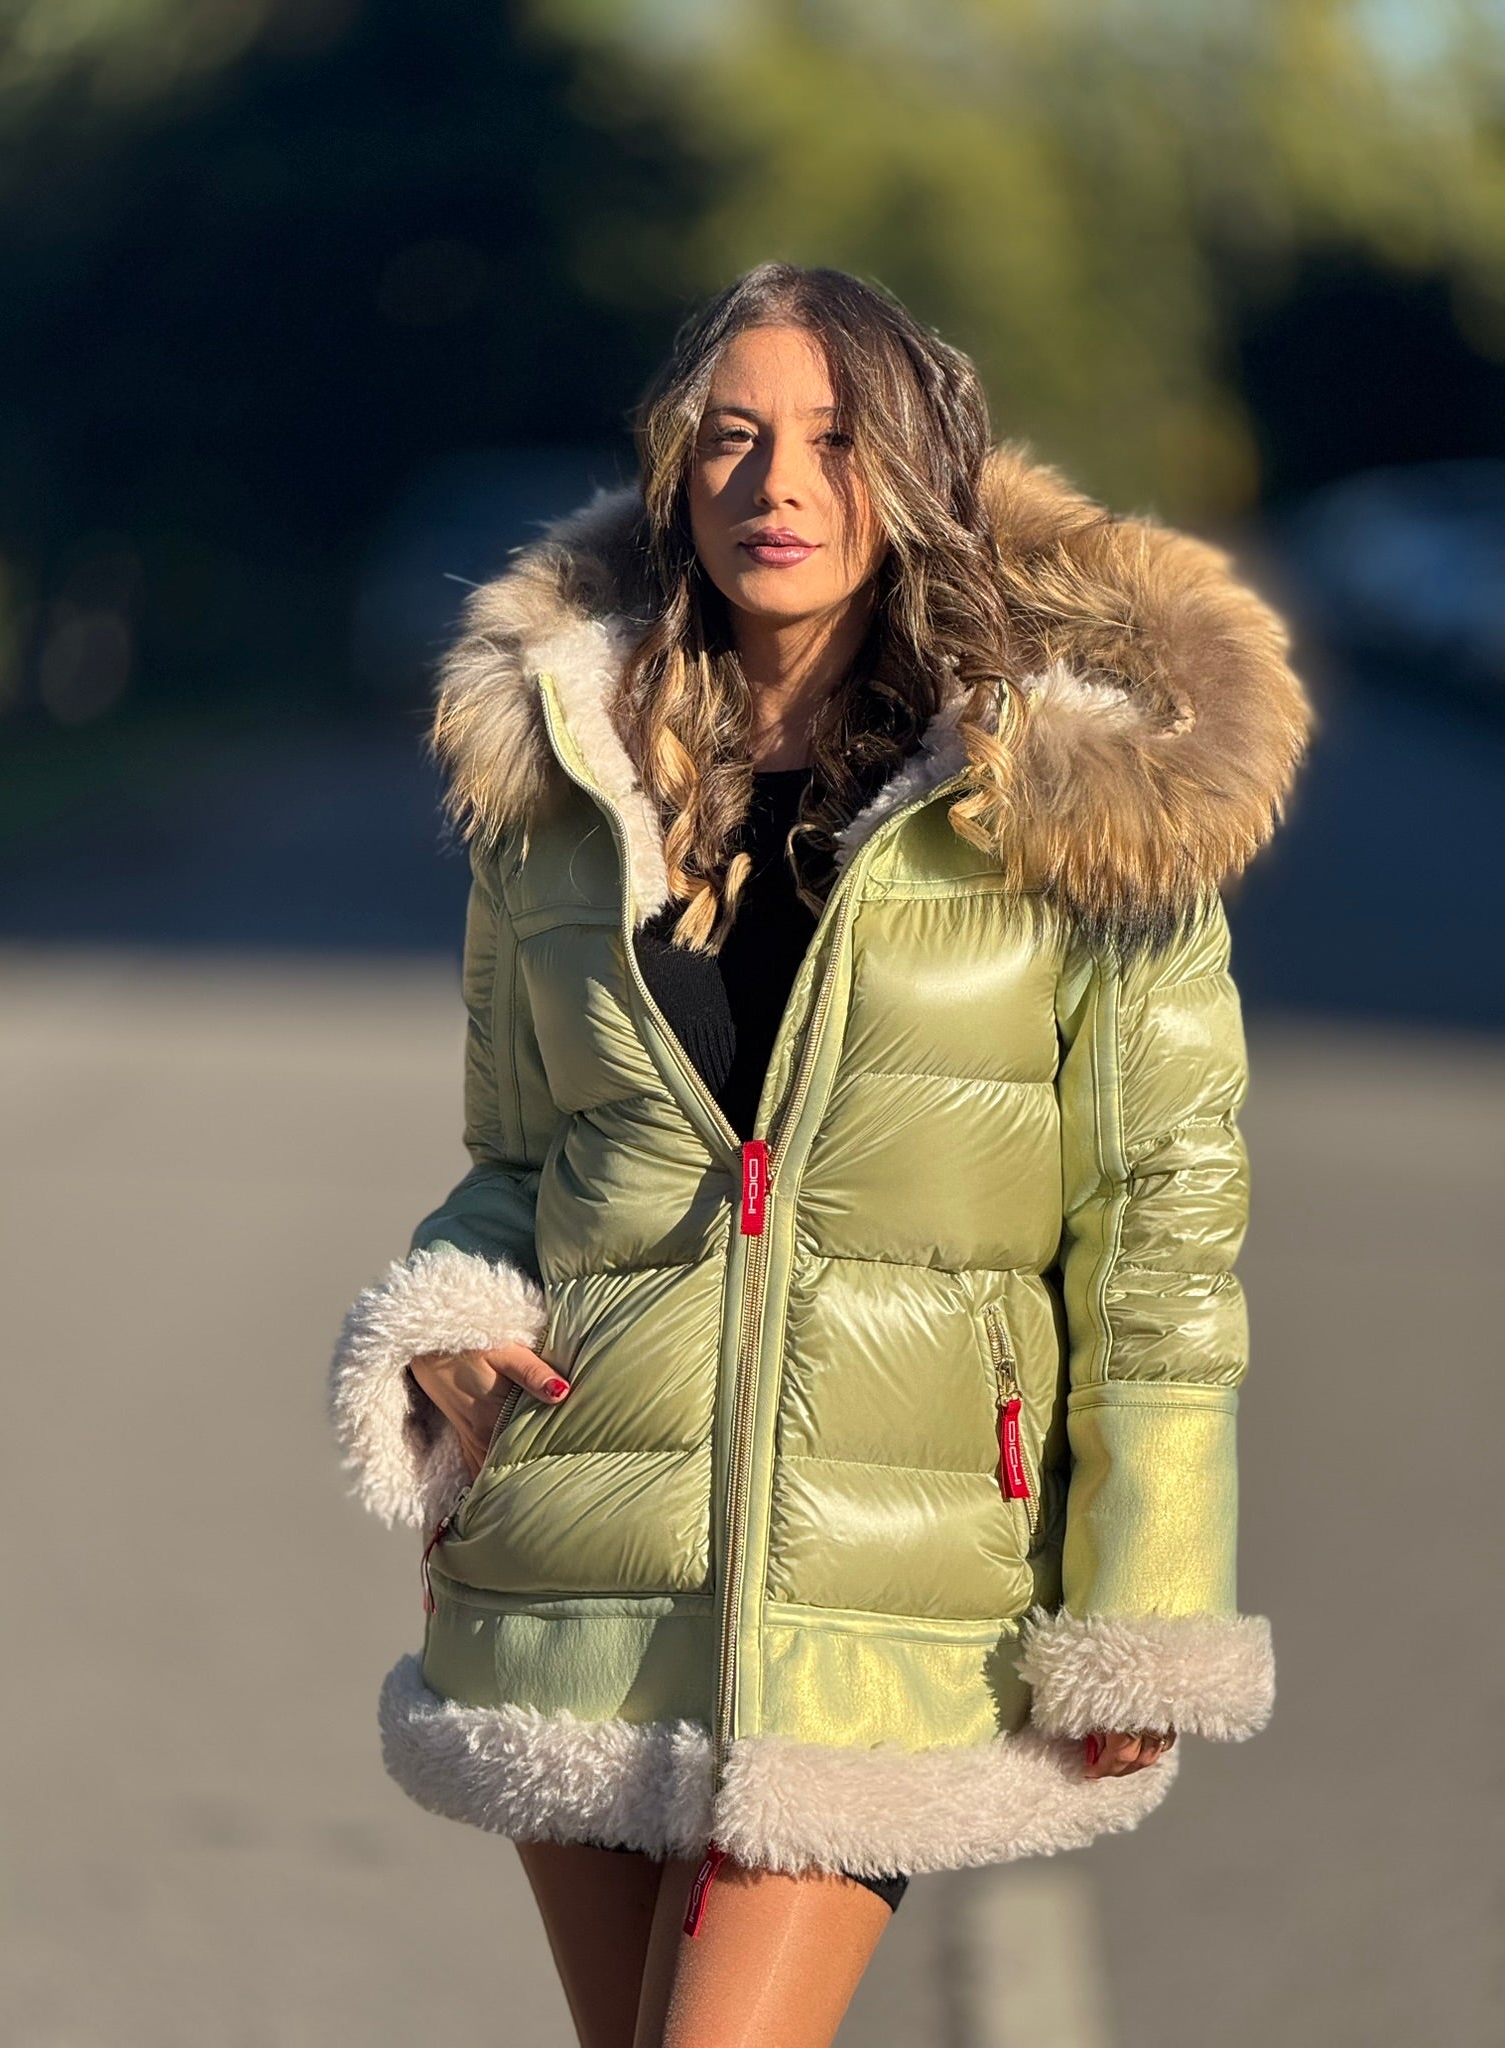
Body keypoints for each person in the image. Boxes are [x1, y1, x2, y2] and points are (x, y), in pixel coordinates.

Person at [328, 261, 1312, 2047]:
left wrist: (1148, 1595)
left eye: (839, 440)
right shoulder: (565, 782)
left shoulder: (1077, 790)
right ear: (676, 468)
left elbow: (1162, 1221)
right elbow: (523, 1157)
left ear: (922, 468)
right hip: (578, 1557)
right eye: (734, 436)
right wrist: (446, 1323)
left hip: (890, 1592)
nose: (778, 484)